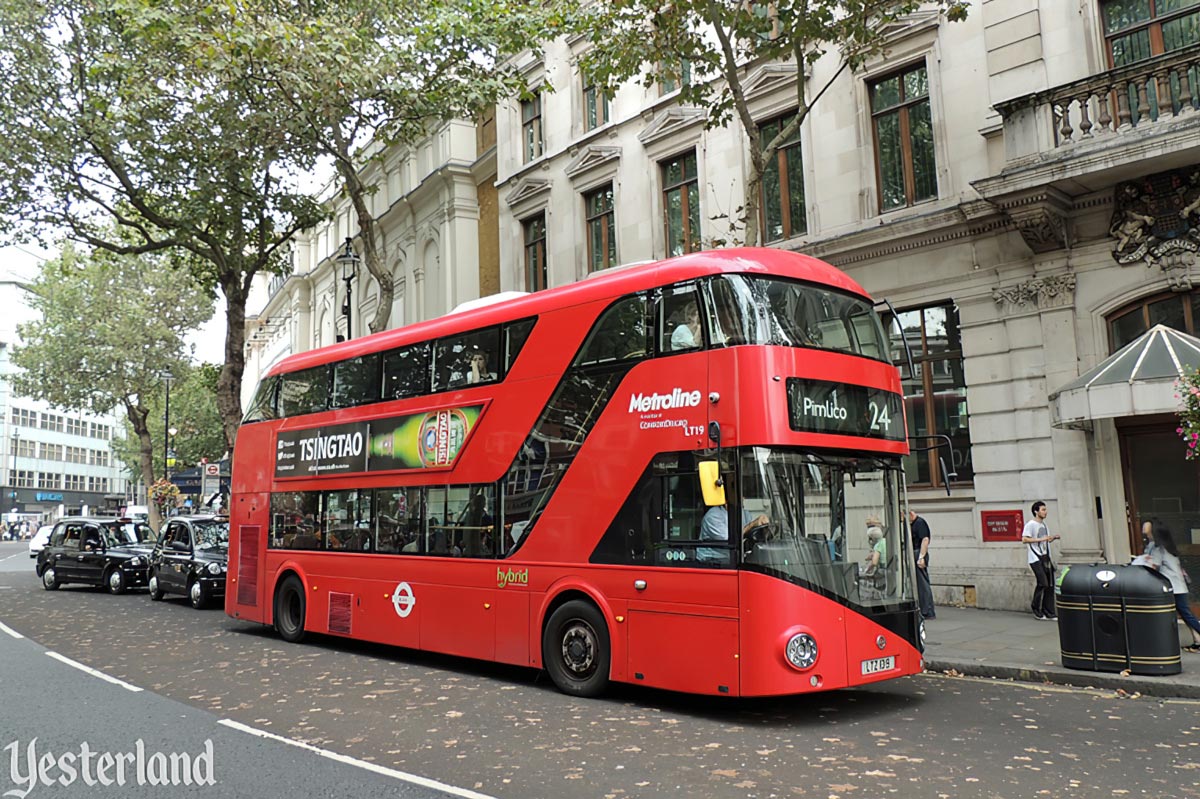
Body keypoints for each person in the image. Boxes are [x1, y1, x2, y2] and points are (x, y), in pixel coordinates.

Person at [1145, 526, 1200, 653]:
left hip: (1172, 587)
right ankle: (1197, 640)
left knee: (1182, 614)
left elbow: (1154, 566)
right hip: (1180, 586)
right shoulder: (1171, 549)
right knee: (1186, 615)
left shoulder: (1160, 550)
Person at [698, 484, 768, 563]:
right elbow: (729, 539)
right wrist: (752, 524)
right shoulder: (713, 516)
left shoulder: (744, 513)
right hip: (713, 559)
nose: (743, 498)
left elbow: (749, 533)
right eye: (739, 496)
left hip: (733, 557)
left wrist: (763, 528)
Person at [1021, 500, 1059, 620]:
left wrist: (1051, 538)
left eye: (1045, 509)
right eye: (1043, 510)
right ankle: (1036, 608)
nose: (1045, 512)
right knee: (1043, 583)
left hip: (1045, 557)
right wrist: (1041, 539)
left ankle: (1049, 612)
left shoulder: (1044, 525)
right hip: (1035, 558)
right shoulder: (1031, 524)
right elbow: (1024, 539)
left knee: (1050, 584)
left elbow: (1044, 540)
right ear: (1036, 511)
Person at [910, 509, 935, 619]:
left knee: (923, 584)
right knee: (920, 584)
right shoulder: (915, 523)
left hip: (918, 553)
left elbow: (925, 540)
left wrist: (921, 557)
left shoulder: (919, 523)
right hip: (916, 553)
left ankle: (927, 610)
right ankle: (925, 608)